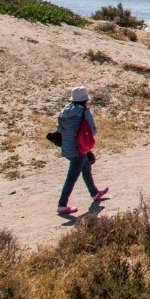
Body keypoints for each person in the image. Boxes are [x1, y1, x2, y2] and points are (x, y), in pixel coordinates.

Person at [56, 85, 108, 216]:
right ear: (85, 100)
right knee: (71, 178)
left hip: (66, 147)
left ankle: (95, 193)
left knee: (86, 168)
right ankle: (62, 205)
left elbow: (59, 129)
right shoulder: (84, 113)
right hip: (79, 148)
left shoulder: (64, 111)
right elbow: (93, 130)